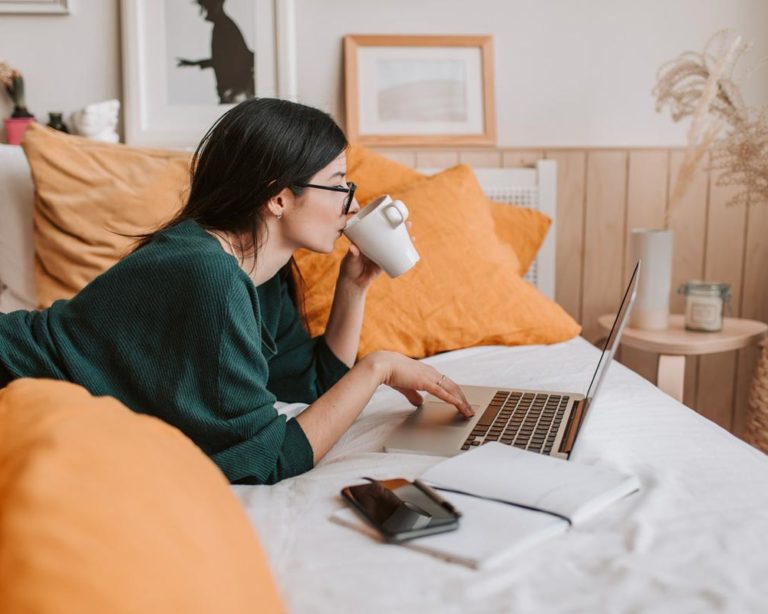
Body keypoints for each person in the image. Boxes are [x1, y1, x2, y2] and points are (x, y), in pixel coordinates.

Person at [0, 98, 473, 485]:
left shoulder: (257, 272)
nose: (349, 203)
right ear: (279, 197)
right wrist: (379, 367)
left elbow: (312, 390)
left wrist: (353, 286)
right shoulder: (210, 278)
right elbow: (267, 460)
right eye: (336, 185)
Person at [177, 0, 255, 103]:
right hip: (233, 92)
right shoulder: (223, 26)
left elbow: (240, 58)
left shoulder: (224, 27)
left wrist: (237, 91)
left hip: (235, 93)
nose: (204, 11)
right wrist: (195, 63)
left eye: (206, 7)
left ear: (216, 6)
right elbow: (222, 60)